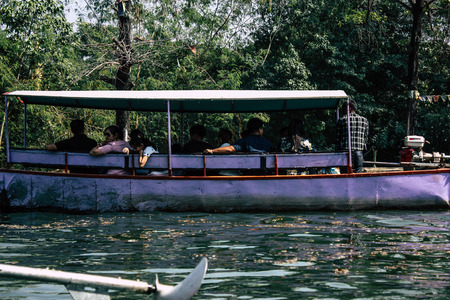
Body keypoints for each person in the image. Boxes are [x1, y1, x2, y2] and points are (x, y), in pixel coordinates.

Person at [204, 118, 272, 154]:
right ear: (260, 130)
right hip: (265, 174)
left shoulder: (244, 141)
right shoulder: (268, 143)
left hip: (247, 174)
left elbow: (229, 149)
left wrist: (211, 151)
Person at [337, 99, 369, 173]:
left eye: (344, 109)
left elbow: (338, 139)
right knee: (357, 175)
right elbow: (365, 139)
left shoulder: (342, 120)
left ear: (349, 108)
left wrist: (337, 152)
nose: (343, 111)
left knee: (344, 175)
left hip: (345, 153)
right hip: (358, 152)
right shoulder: (364, 120)